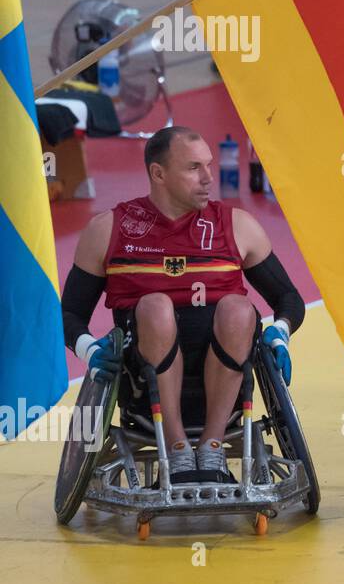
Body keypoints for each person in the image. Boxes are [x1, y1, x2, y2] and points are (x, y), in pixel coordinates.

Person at [60, 127, 305, 480]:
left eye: (209, 165)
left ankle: (212, 449)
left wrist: (280, 333)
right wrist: (88, 351)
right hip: (143, 379)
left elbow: (288, 298)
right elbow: (69, 314)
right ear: (158, 174)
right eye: (193, 168)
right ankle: (176, 451)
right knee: (156, 306)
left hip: (228, 375)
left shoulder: (237, 226)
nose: (208, 178)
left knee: (239, 308)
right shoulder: (108, 230)